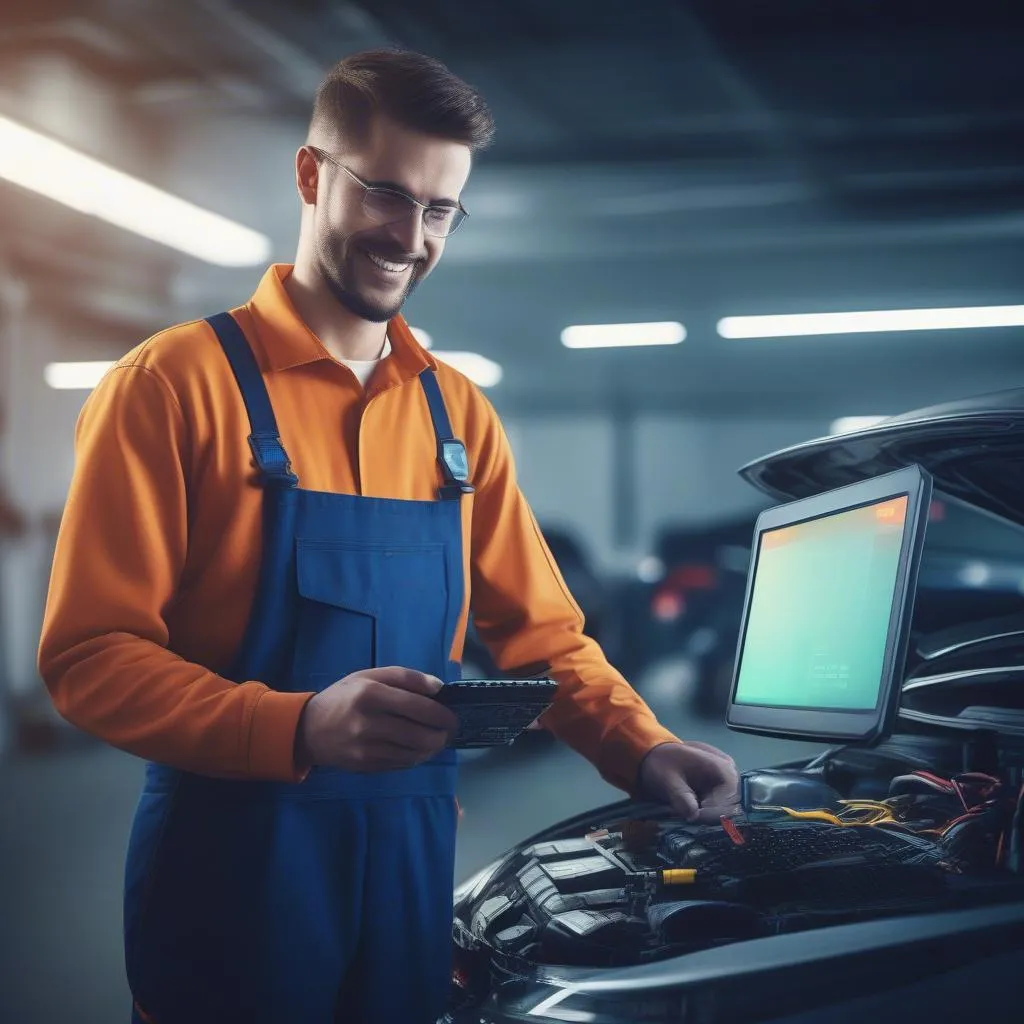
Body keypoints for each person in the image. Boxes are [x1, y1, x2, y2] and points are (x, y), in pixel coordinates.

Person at [37, 49, 739, 1024]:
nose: (410, 235)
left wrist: (641, 743)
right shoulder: (170, 386)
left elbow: (542, 637)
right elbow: (90, 656)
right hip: (229, 873)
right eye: (384, 193)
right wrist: (296, 725)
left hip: (409, 865)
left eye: (440, 209)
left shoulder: (458, 417)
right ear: (311, 174)